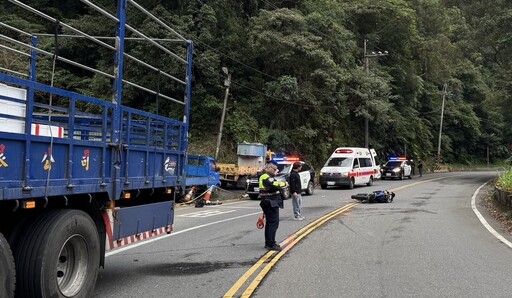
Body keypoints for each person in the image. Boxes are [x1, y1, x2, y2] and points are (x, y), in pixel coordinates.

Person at [259, 162, 287, 251]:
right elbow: (274, 186)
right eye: (274, 169)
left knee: (270, 223)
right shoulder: (265, 176)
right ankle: (271, 244)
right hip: (270, 202)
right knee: (273, 223)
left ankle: (268, 242)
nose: (275, 171)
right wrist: (283, 184)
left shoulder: (268, 176)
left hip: (270, 202)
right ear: (269, 168)